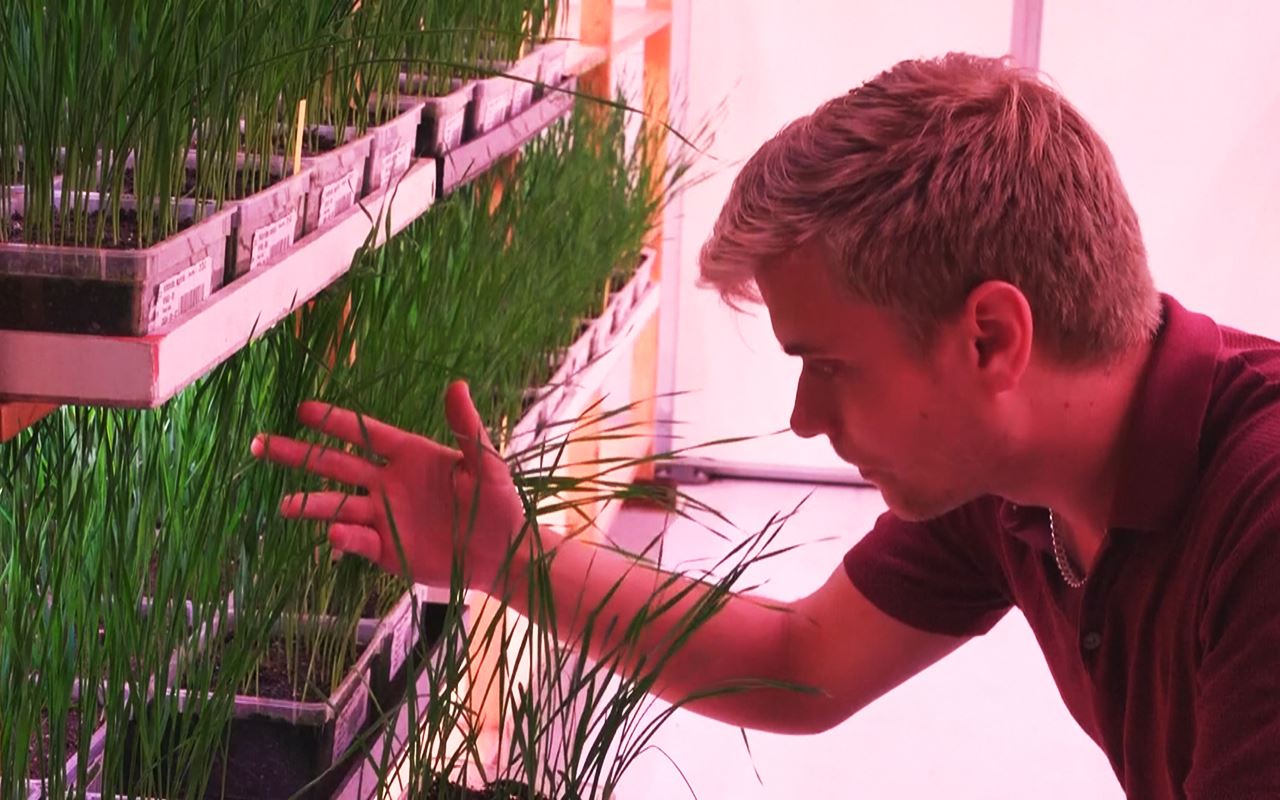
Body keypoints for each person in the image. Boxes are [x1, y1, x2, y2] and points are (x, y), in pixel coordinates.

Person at [251, 53, 1280, 798]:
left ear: (990, 338)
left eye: (828, 365)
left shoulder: (1260, 517)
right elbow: (801, 662)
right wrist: (503, 557)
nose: (802, 418)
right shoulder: (1009, 479)